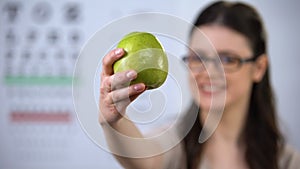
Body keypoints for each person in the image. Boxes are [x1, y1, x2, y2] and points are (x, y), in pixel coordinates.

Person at [99, 1, 300, 169]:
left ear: (259, 68)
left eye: (228, 59)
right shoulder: (176, 144)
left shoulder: (287, 162)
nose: (209, 73)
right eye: (199, 58)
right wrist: (113, 120)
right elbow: (144, 158)